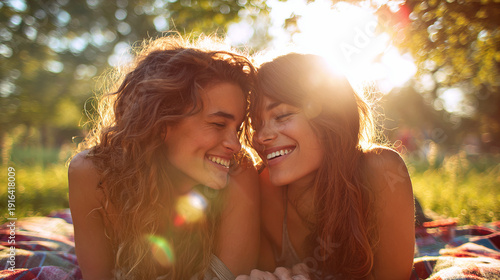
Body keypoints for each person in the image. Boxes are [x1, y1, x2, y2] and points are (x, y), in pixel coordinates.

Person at [68, 36, 260, 279]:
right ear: (161, 122)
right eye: (218, 124)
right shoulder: (92, 174)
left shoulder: (239, 173)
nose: (235, 145)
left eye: (237, 127)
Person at [241, 53, 415, 279]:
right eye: (256, 124)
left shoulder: (382, 170)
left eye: (282, 116)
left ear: (330, 116)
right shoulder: (263, 188)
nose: (261, 136)